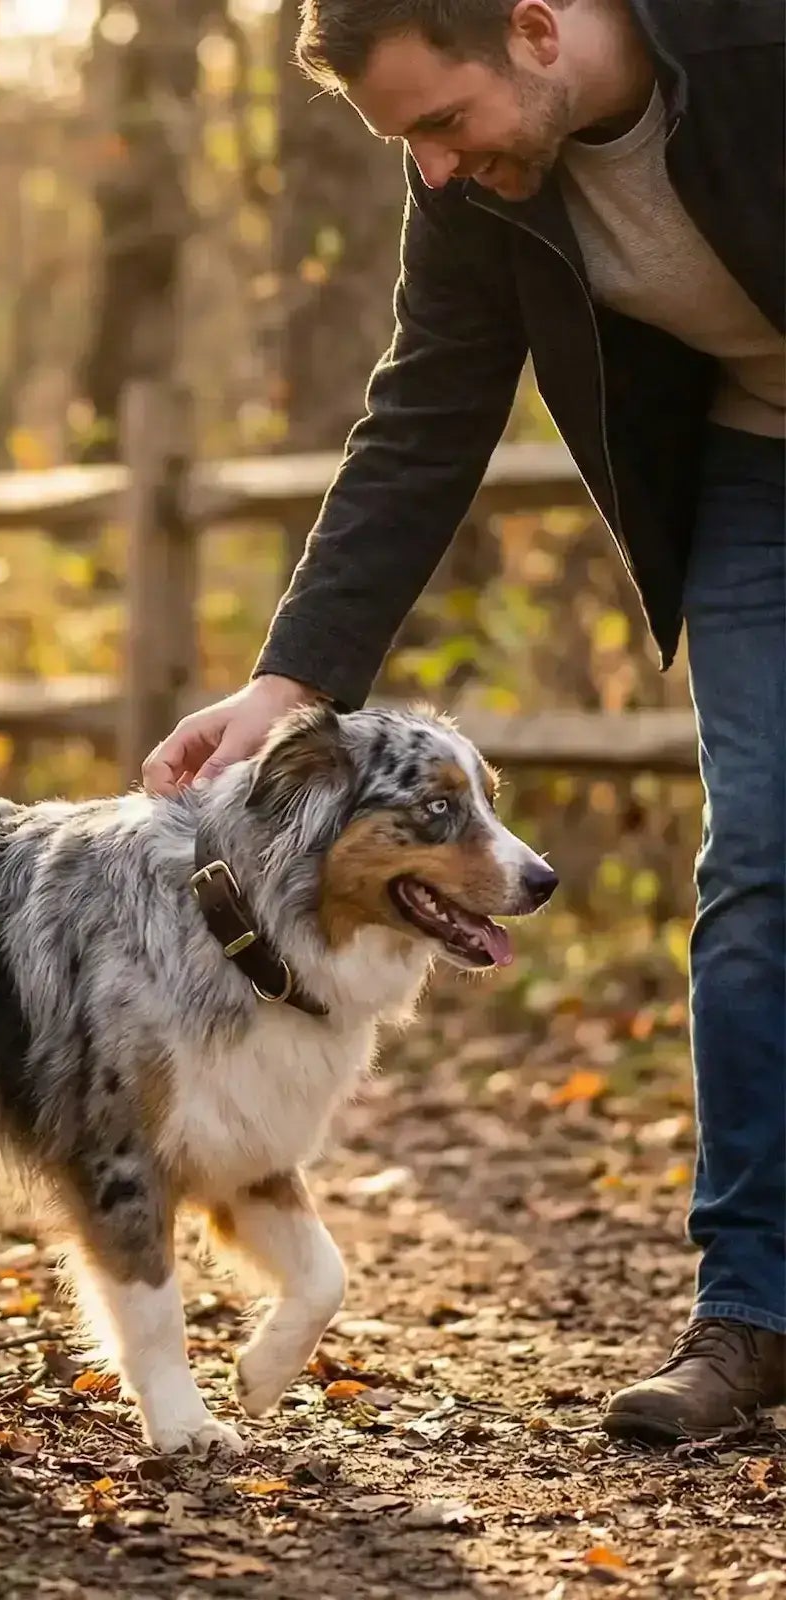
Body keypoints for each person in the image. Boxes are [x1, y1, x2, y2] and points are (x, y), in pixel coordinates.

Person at [142, 0, 784, 1445]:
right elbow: (425, 417)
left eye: (440, 122)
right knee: (761, 872)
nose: (428, 167)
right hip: (761, 484)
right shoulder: (473, 190)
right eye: (403, 141)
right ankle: (752, 1318)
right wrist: (288, 683)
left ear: (538, 29)